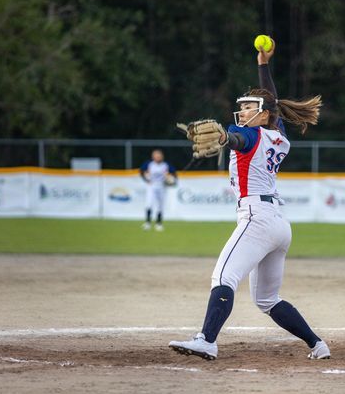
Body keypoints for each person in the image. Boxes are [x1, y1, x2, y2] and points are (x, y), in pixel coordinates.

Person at [169, 39, 330, 360]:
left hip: (256, 217)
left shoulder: (251, 134)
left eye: (248, 107)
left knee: (223, 277)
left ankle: (206, 339)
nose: (242, 110)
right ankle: (317, 344)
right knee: (267, 299)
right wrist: (263, 66)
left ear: (263, 114)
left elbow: (239, 138)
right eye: (242, 106)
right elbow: (271, 102)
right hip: (279, 224)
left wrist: (226, 137)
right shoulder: (278, 134)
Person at [139, 149, 176, 231]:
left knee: (160, 205)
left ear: (162, 156)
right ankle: (147, 223)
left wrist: (170, 180)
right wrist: (146, 179)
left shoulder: (166, 165)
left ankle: (159, 223)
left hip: (162, 187)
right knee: (149, 203)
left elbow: (174, 176)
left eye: (159, 155)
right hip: (151, 186)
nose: (157, 157)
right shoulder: (149, 164)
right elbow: (141, 172)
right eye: (156, 155)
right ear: (153, 156)